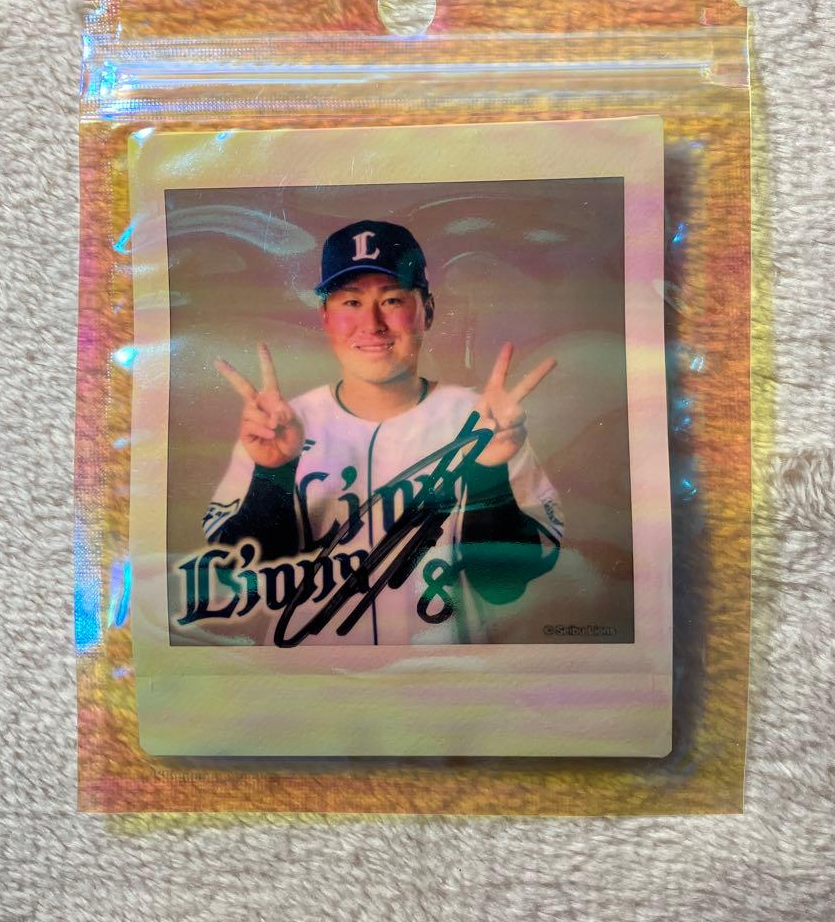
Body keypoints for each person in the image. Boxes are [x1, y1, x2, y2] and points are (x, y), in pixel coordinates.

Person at [202, 219, 564, 646]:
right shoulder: (276, 428)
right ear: (325, 316)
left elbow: (504, 586)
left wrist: (489, 472)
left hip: (444, 677)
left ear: (427, 310)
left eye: (392, 299)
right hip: (308, 677)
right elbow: (245, 581)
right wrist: (273, 474)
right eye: (351, 302)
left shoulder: (488, 422)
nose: (372, 323)